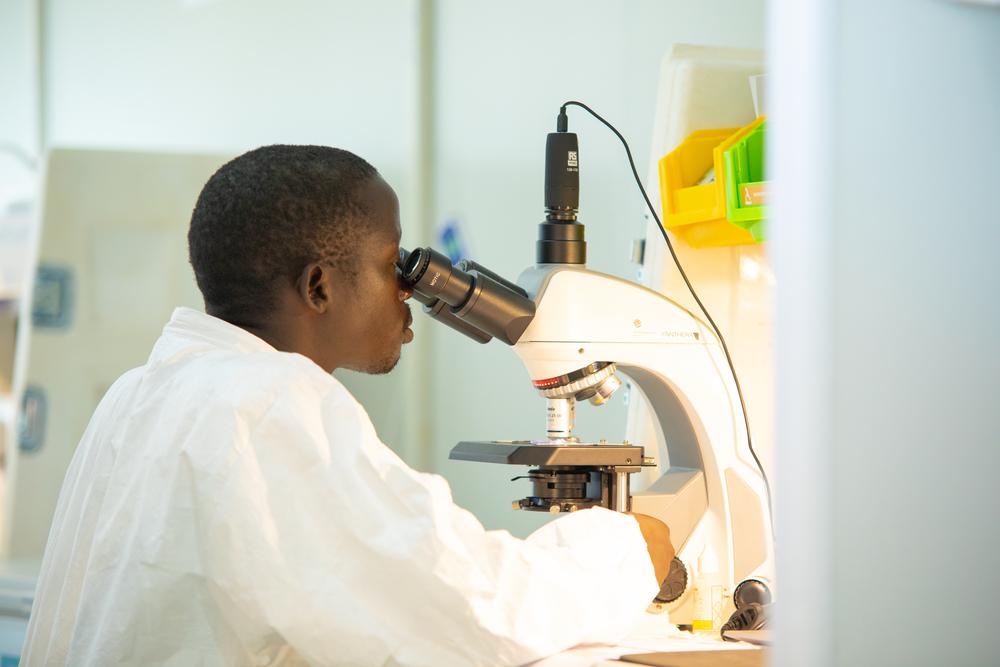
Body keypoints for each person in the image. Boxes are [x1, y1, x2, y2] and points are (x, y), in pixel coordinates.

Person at [21, 145, 673, 666]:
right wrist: (623, 550)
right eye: (392, 264)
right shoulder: (269, 403)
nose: (407, 292)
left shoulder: (143, 392)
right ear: (319, 286)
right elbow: (461, 607)